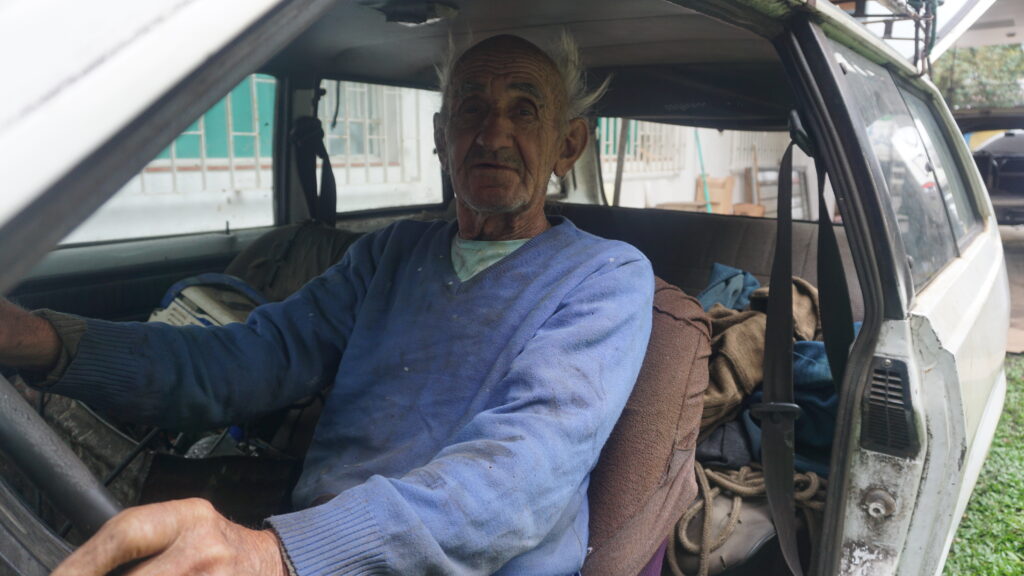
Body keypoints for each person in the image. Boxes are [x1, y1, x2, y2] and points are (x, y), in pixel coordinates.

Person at [0, 34, 654, 575]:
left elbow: (517, 477)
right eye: (471, 108)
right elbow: (245, 361)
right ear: (440, 135)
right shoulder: (390, 254)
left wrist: (277, 554)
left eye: (525, 110)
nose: (493, 133)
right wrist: (45, 341)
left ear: (569, 145)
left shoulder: (606, 276)